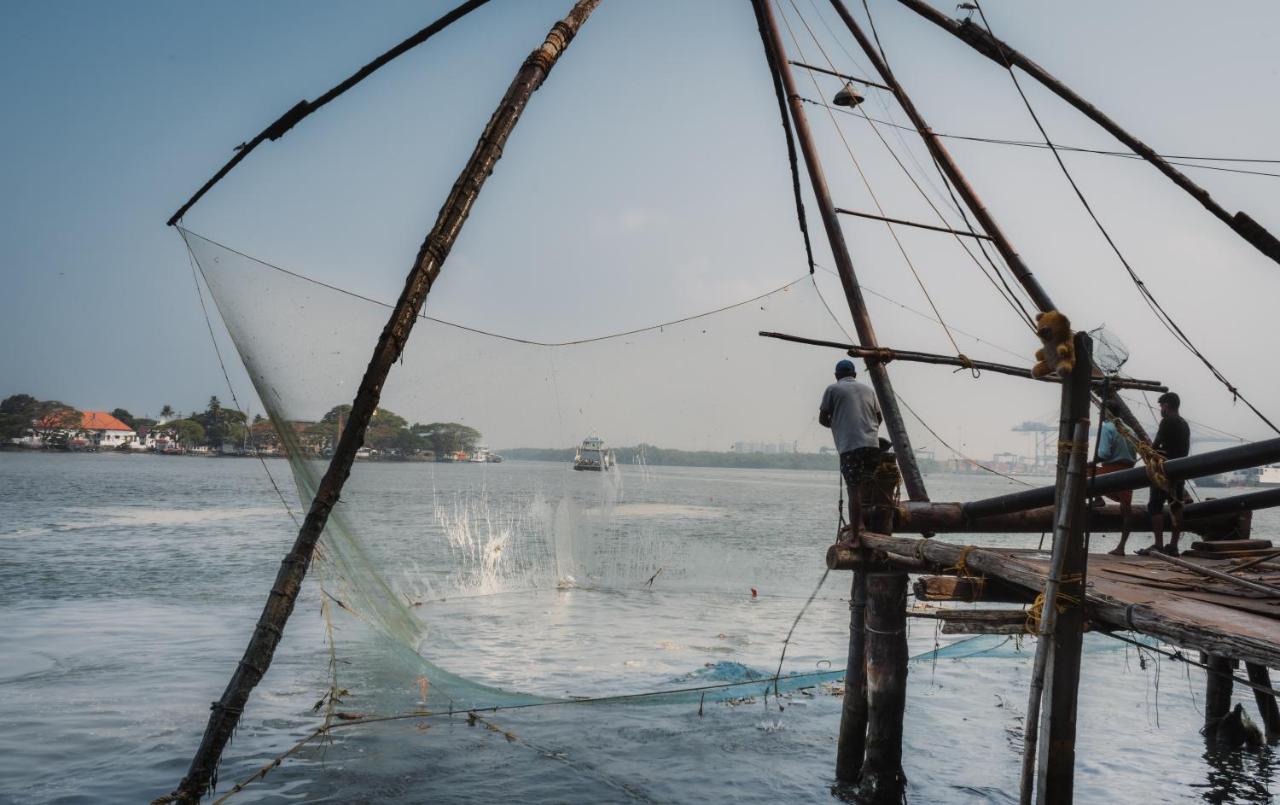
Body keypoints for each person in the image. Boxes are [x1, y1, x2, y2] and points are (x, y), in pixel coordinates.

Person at [819, 359, 882, 533]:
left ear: (836, 376)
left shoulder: (832, 389)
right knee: (866, 487)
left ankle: (855, 535)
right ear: (854, 375)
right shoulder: (868, 390)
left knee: (853, 491)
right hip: (872, 446)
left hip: (851, 447)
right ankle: (862, 524)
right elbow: (879, 418)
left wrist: (839, 422)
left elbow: (823, 419)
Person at [1138, 391, 1191, 557]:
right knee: (1176, 505)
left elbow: (1155, 446)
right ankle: (1174, 545)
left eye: (1161, 405)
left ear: (1166, 406)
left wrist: (1146, 450)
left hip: (1164, 470)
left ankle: (1158, 544)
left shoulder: (1167, 421)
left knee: (1155, 505)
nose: (1160, 408)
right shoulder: (1184, 423)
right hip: (1180, 468)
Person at [1093, 399, 1139, 556]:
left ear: (1106, 413)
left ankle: (1097, 498)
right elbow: (1135, 452)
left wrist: (1091, 461)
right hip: (1128, 473)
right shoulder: (1130, 430)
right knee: (1127, 511)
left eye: (1101, 413)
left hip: (1111, 472)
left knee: (1086, 470)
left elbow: (1104, 454)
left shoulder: (1107, 427)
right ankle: (1121, 547)